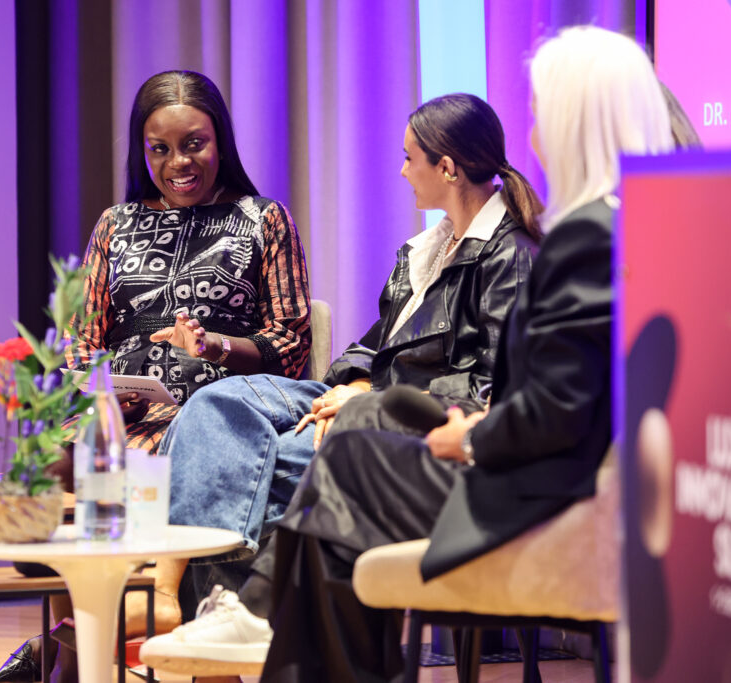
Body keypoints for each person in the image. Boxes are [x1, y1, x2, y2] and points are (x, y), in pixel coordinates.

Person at [139, 25, 674, 682]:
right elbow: (551, 390)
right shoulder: (618, 228)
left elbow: (552, 407)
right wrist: (354, 382)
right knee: (251, 415)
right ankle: (255, 615)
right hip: (512, 454)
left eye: (542, 117)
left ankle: (253, 612)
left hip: (531, 484)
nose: (534, 139)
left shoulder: (578, 240)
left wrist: (471, 435)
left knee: (349, 455)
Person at [132, 91, 544, 662]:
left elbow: (490, 388)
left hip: (410, 420)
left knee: (251, 465)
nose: (402, 171)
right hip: (358, 397)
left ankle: (218, 612)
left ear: (447, 168)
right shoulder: (426, 250)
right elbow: (373, 345)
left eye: (410, 158)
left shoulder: (509, 257)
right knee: (215, 402)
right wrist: (354, 383)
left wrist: (373, 400)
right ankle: (201, 607)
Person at [0, 69, 311, 683]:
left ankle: (79, 646)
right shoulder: (116, 224)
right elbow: (82, 340)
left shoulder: (263, 219)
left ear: (220, 141)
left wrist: (214, 346)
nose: (177, 163)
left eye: (194, 144)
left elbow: (291, 343)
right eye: (159, 148)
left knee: (167, 448)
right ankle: (73, 646)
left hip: (216, 410)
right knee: (49, 462)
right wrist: (103, 396)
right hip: (122, 413)